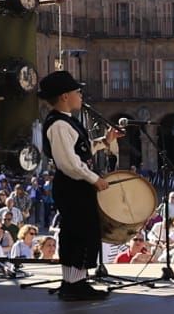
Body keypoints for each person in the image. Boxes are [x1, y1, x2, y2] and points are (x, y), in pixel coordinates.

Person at [39, 70, 120, 301]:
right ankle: (74, 285)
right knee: (81, 231)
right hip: (73, 185)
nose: (80, 95)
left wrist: (104, 142)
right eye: (77, 91)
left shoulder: (66, 121)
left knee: (79, 230)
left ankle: (75, 281)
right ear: (65, 96)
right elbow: (69, 163)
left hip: (75, 184)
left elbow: (79, 151)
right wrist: (95, 179)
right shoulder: (59, 125)